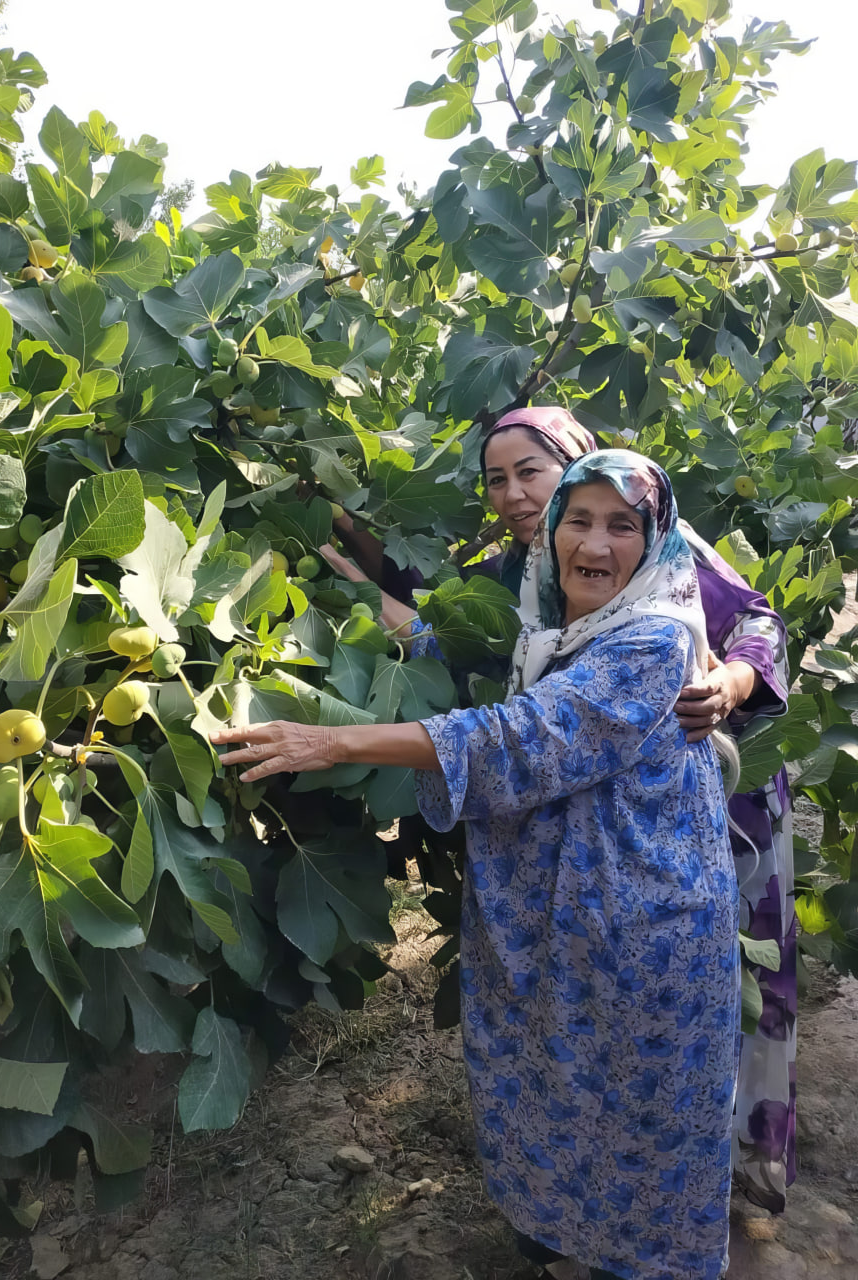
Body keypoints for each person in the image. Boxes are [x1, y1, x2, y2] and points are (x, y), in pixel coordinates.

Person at [215, 451, 741, 1280]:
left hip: (643, 930)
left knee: (639, 1117)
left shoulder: (652, 641)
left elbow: (518, 735)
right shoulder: (546, 623)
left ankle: (640, 1262)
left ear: (658, 544)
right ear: (554, 532)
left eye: (622, 525)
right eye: (579, 519)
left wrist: (328, 741)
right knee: (566, 1093)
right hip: (571, 918)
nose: (595, 542)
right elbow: (442, 648)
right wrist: (343, 567)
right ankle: (567, 1238)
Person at [325, 405, 795, 1214]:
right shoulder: (523, 570)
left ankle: (753, 1161)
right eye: (495, 479)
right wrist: (366, 577)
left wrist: (731, 684)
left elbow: (756, 621)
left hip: (721, 792)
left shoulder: (649, 534)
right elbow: (466, 645)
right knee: (630, 1022)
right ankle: (615, 1185)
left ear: (575, 463)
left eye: (530, 472)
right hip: (590, 818)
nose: (512, 494)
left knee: (741, 986)